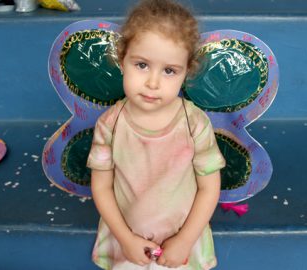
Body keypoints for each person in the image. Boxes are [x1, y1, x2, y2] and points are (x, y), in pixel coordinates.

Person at [87, 0, 226, 269]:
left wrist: (185, 240)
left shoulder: (194, 122)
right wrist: (125, 238)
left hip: (182, 246)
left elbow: (209, 188)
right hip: (127, 244)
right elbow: (102, 186)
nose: (153, 82)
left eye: (169, 71)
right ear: (123, 58)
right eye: (141, 65)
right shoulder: (110, 124)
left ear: (186, 72)